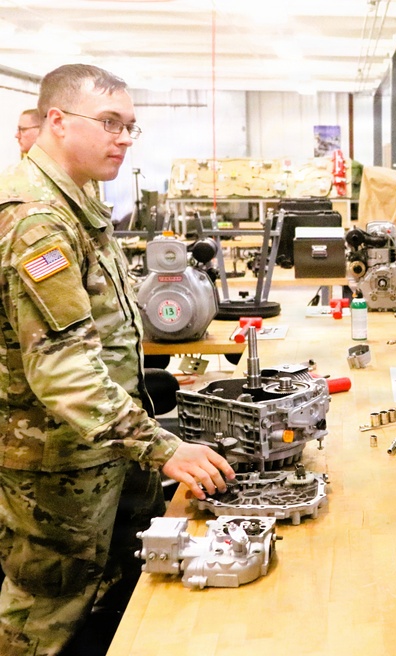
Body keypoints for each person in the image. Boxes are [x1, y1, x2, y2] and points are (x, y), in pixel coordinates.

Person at [0, 64, 235, 655]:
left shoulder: (77, 200)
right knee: (48, 614)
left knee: (119, 599)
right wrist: (164, 447)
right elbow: (62, 370)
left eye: (131, 126)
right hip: (58, 463)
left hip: (106, 448)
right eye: (109, 123)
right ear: (56, 121)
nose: (124, 138)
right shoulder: (37, 222)